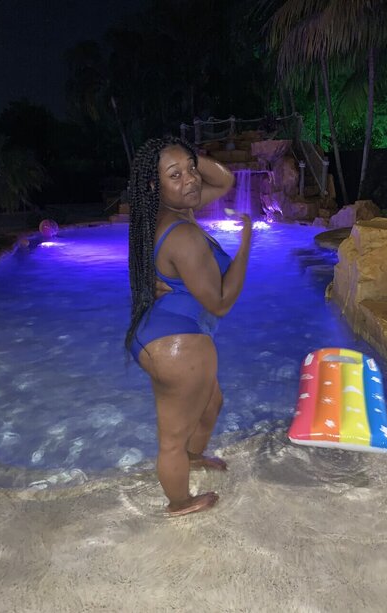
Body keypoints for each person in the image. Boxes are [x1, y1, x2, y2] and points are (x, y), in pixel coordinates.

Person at [125, 137, 252, 517]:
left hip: (163, 332)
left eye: (192, 169)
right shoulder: (183, 235)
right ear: (154, 185)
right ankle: (179, 502)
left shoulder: (171, 213)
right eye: (175, 175)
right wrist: (247, 243)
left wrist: (177, 153)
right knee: (173, 438)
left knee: (212, 403)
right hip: (178, 344)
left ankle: (194, 456)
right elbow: (221, 302)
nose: (192, 180)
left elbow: (224, 180)